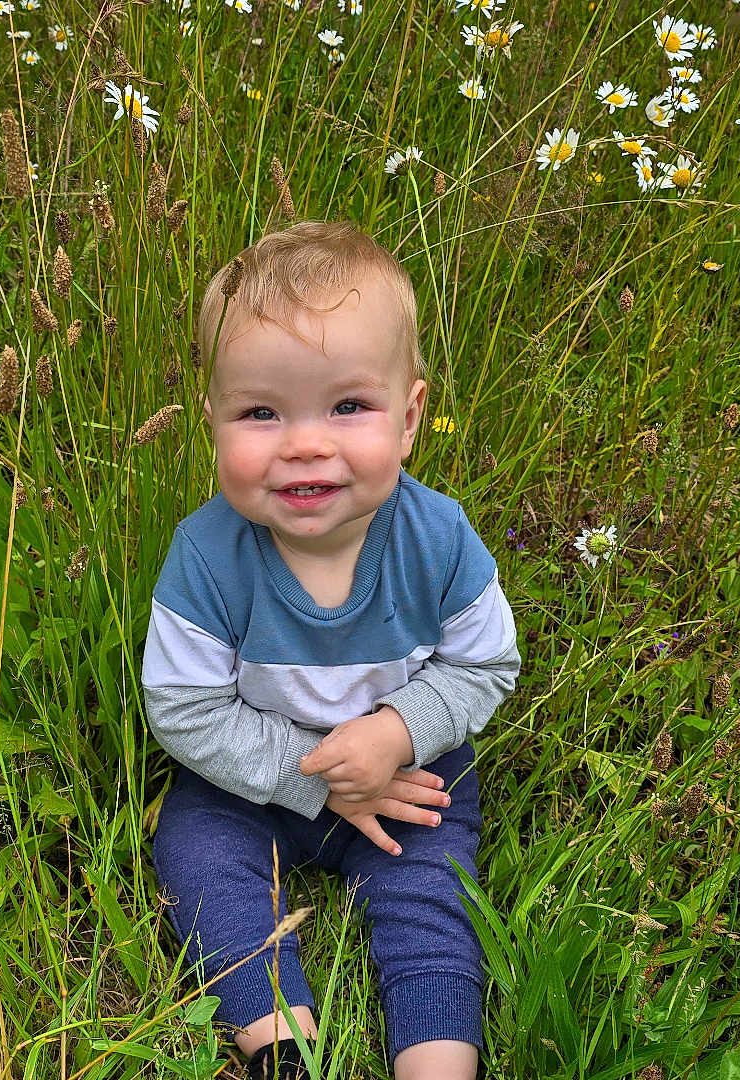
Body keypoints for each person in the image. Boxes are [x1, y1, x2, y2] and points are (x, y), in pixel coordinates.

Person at [142, 219, 520, 1080]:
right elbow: (185, 706)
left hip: (406, 777)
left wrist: (396, 733)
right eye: (260, 413)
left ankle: (436, 1057)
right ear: (211, 422)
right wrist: (315, 774)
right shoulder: (205, 557)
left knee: (429, 887)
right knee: (196, 853)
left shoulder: (439, 540)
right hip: (249, 782)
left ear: (412, 415)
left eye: (348, 406)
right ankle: (276, 1037)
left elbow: (486, 662)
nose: (305, 442)